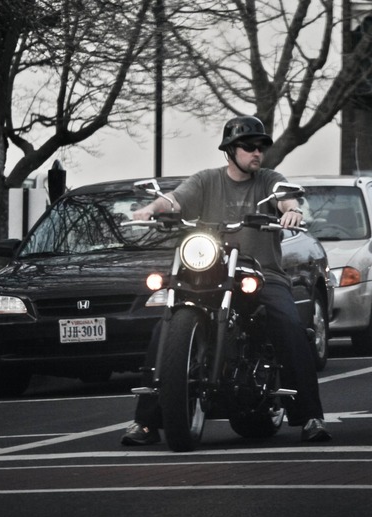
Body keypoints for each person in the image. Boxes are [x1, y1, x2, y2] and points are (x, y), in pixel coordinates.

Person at [120, 115, 331, 444]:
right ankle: (145, 422)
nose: (256, 153)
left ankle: (310, 417)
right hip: (211, 273)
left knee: (288, 324)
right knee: (166, 326)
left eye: (260, 147)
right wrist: (152, 209)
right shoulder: (206, 181)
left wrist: (292, 210)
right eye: (249, 147)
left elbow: (285, 197)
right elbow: (175, 199)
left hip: (262, 273)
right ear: (229, 151)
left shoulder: (268, 180)